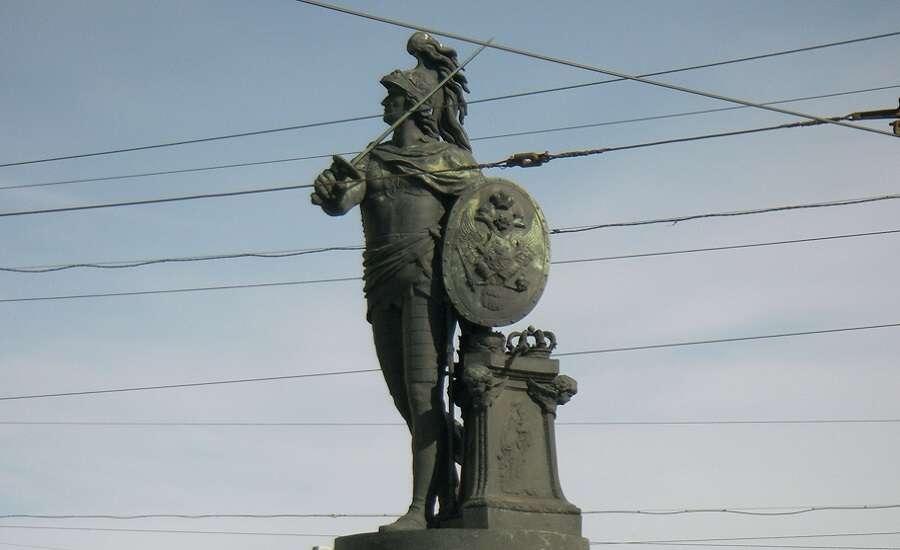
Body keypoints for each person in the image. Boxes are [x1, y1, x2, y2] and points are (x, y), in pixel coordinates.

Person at [309, 32, 483, 531]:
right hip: (382, 281)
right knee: (405, 398)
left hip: (426, 282)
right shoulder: (375, 159)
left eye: (393, 95)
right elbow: (341, 202)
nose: (385, 102)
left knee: (423, 390)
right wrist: (327, 189)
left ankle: (418, 508)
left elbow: (484, 219)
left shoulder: (451, 163)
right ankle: (454, 474)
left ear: (415, 104)